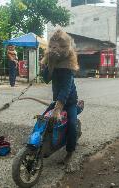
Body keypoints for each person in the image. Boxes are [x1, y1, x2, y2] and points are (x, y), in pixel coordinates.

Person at [40, 30, 81, 166]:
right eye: (51, 47)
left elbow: (65, 90)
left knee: (71, 125)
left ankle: (70, 151)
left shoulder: (68, 66)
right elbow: (46, 79)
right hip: (56, 100)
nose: (53, 49)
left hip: (69, 102)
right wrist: (48, 65)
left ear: (65, 48)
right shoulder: (52, 61)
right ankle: (43, 142)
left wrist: (58, 109)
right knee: (44, 119)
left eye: (57, 47)